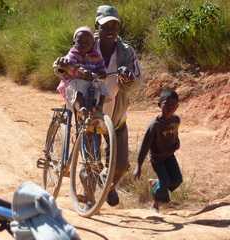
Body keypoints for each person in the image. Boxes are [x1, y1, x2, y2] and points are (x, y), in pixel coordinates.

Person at [53, 5, 141, 207]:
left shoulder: (127, 52)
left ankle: (107, 183)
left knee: (120, 165)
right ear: (97, 26)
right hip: (89, 109)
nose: (110, 30)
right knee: (90, 158)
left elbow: (137, 81)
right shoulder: (85, 43)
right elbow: (64, 65)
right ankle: (90, 198)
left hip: (115, 114)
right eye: (105, 26)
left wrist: (127, 77)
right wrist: (66, 67)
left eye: (114, 25)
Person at [133, 89, 183, 211]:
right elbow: (145, 146)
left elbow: (174, 134)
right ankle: (155, 204)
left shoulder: (176, 120)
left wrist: (177, 143)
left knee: (177, 180)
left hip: (170, 156)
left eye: (173, 105)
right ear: (159, 104)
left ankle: (157, 184)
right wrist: (138, 165)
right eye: (166, 104)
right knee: (165, 181)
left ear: (177, 106)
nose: (170, 107)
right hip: (158, 159)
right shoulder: (154, 125)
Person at [54, 26, 107, 119]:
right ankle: (81, 107)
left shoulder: (96, 55)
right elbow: (69, 66)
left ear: (92, 44)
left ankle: (99, 107)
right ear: (74, 42)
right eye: (80, 42)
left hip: (91, 82)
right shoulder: (73, 54)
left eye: (87, 42)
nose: (83, 45)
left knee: (102, 86)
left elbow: (102, 70)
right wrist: (77, 70)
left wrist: (100, 74)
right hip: (74, 83)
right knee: (77, 86)